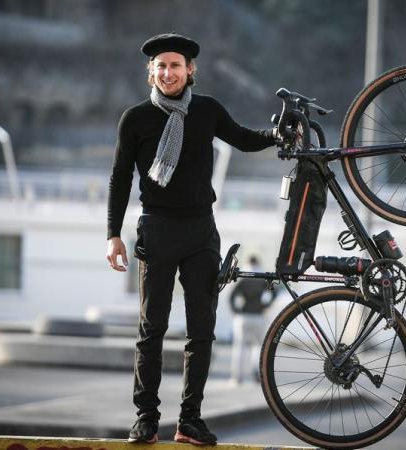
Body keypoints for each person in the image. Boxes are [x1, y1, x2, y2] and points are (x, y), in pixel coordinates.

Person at [105, 33, 277, 445]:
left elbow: (244, 139)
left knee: (201, 332)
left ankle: (190, 421)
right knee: (152, 329)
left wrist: (277, 135)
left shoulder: (207, 111)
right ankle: (145, 418)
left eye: (175, 65)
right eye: (161, 66)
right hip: (157, 229)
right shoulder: (135, 119)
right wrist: (113, 235)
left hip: (201, 231)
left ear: (190, 70)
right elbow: (118, 179)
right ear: (151, 71)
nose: (168, 73)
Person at [229, 255, 276, 384]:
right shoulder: (262, 276)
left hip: (243, 315)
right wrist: (265, 305)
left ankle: (237, 377)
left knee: (240, 346)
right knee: (258, 347)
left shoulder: (243, 276)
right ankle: (257, 374)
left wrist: (235, 310)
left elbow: (232, 296)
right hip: (259, 315)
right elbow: (274, 292)